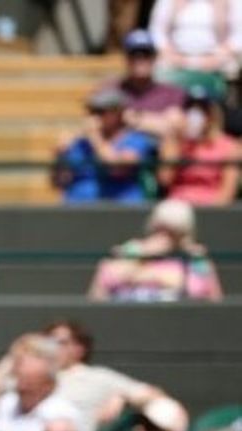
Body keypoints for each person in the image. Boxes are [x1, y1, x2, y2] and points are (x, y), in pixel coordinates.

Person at [87, 197, 224, 302]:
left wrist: (151, 277)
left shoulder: (195, 259)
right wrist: (143, 255)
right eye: (160, 229)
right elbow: (101, 288)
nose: (164, 237)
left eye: (173, 232)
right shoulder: (133, 249)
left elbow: (210, 299)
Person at [51, 87, 157, 204]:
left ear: (118, 113)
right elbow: (59, 182)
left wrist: (95, 137)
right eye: (91, 111)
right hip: (77, 208)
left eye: (99, 111)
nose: (93, 116)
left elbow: (118, 169)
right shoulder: (80, 143)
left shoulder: (136, 139)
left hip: (119, 209)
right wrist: (60, 156)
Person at [156, 87, 238, 205]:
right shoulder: (174, 142)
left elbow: (228, 191)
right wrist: (176, 140)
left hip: (212, 207)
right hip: (179, 205)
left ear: (211, 114)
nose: (195, 115)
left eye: (202, 110)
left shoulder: (229, 146)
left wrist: (211, 214)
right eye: (190, 109)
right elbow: (165, 180)